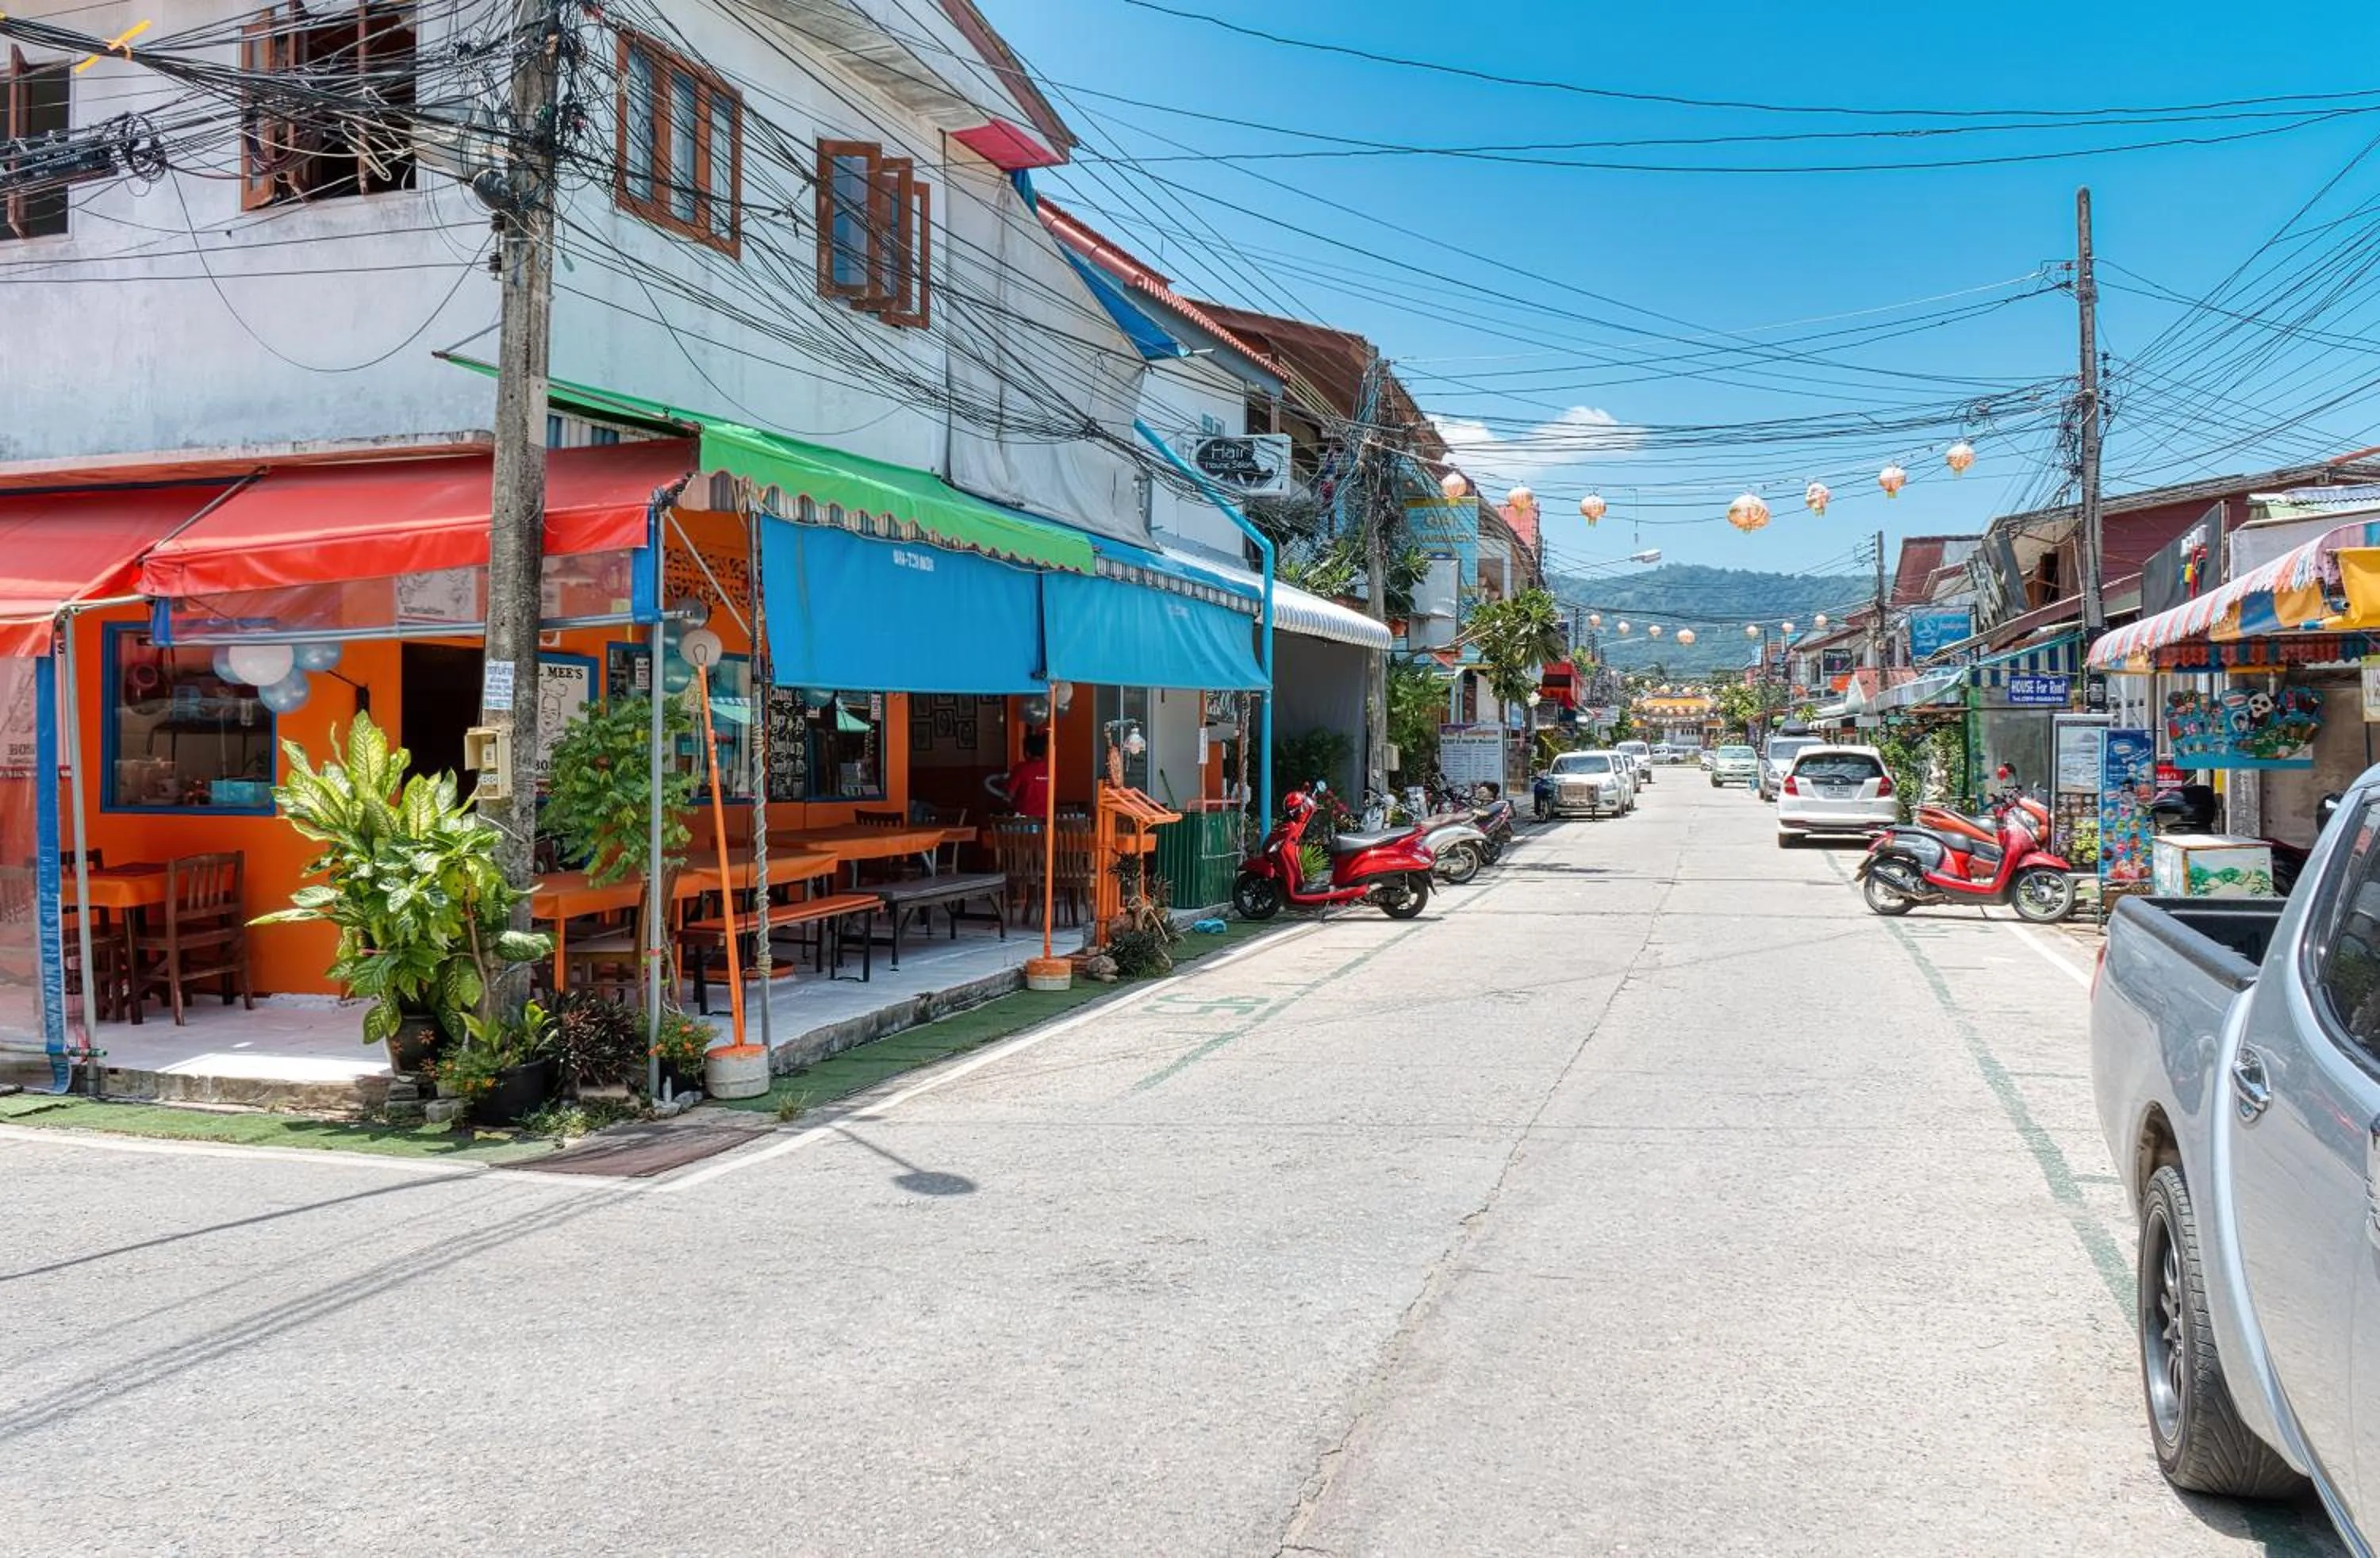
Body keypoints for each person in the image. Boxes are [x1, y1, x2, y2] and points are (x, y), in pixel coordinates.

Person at [989, 731, 1050, 816]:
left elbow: (1009, 795)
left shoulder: (1020, 769)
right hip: (1046, 821)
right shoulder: (1050, 769)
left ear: (1027, 752)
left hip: (1023, 821)